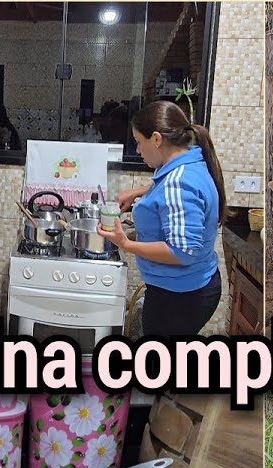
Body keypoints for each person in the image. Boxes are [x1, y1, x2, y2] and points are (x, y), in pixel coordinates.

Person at [99, 101, 225, 337]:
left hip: (181, 298)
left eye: (138, 142)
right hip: (186, 289)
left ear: (156, 139)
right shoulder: (187, 163)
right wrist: (139, 193)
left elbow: (182, 252)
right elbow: (170, 190)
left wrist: (126, 244)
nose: (137, 150)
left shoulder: (179, 182)